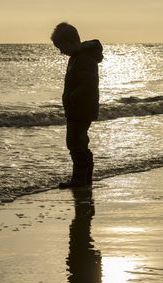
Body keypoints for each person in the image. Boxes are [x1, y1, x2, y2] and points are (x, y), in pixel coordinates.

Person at [50, 22, 103, 188]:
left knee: (76, 143)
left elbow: (89, 84)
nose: (61, 52)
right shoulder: (77, 57)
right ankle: (84, 178)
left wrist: (72, 98)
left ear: (71, 42)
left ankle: (80, 180)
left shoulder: (85, 58)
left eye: (61, 47)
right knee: (77, 142)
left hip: (82, 109)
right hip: (78, 109)